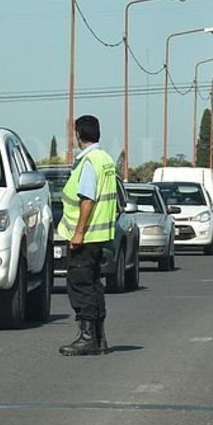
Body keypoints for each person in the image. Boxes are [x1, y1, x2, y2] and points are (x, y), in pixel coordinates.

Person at [57, 114, 119, 356]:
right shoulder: (106, 159)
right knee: (93, 285)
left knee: (80, 285)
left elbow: (87, 199)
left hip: (86, 236)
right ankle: (99, 337)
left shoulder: (89, 161)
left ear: (78, 134)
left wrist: (78, 233)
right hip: (100, 235)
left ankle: (87, 338)